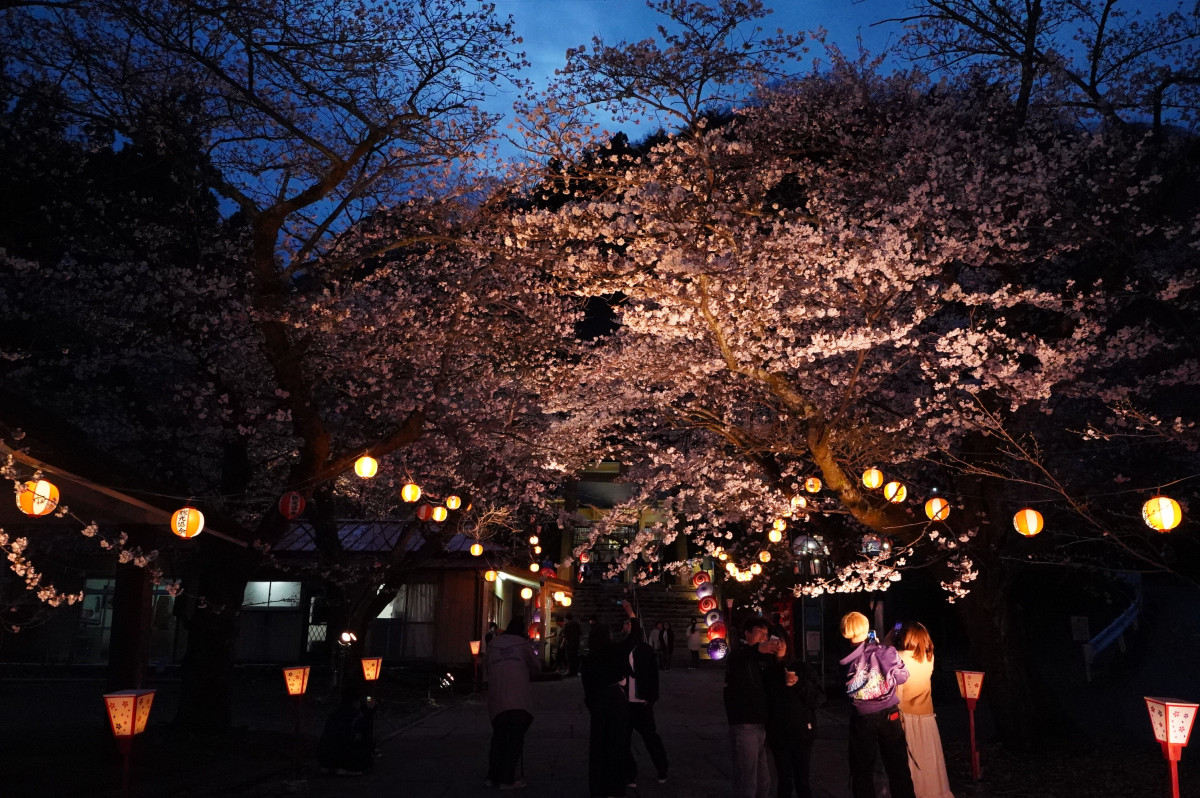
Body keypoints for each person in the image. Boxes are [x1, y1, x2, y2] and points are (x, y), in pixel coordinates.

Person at [839, 611, 916, 798]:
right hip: (889, 713)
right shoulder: (885, 652)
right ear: (867, 629)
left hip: (862, 717)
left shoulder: (844, 660)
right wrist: (882, 648)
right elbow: (902, 677)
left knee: (862, 768)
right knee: (897, 765)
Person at [582, 603, 637, 798]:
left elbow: (586, 689)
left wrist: (592, 705)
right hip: (615, 703)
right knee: (617, 746)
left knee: (598, 749)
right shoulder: (615, 652)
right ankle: (615, 788)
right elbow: (634, 639)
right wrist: (631, 614)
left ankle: (598, 788)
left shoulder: (588, 660)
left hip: (597, 705)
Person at [895, 622, 954, 798]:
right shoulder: (929, 657)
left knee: (910, 763)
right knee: (930, 760)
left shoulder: (899, 657)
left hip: (907, 717)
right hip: (928, 717)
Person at [484, 615, 540, 790]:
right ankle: (507, 779)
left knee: (499, 737)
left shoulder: (493, 644)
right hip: (519, 699)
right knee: (515, 738)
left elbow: (487, 668)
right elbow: (537, 667)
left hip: (497, 698)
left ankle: (492, 776)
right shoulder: (523, 645)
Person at [724, 616, 778, 798]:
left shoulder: (760, 659)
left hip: (761, 724)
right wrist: (758, 649)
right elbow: (740, 657)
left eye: (766, 634)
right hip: (744, 724)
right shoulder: (740, 655)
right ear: (747, 633)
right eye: (759, 632)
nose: (763, 637)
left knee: (764, 782)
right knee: (747, 781)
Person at [764, 640, 821, 798]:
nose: (777, 644)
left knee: (802, 780)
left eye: (781, 641)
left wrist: (799, 684)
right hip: (778, 735)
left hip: (801, 733)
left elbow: (819, 698)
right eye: (773, 641)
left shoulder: (802, 668)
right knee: (784, 781)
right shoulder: (767, 671)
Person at [623, 616, 669, 786]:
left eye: (629, 625)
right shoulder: (622, 649)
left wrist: (651, 697)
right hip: (626, 701)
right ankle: (630, 774)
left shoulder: (646, 650)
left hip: (641, 702)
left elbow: (653, 676)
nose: (627, 628)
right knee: (624, 740)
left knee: (650, 738)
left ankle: (661, 768)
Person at [315, 693, 373, 776]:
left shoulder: (334, 714)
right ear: (355, 702)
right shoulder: (357, 715)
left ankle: (329, 766)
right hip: (345, 755)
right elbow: (365, 736)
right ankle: (348, 768)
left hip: (326, 755)